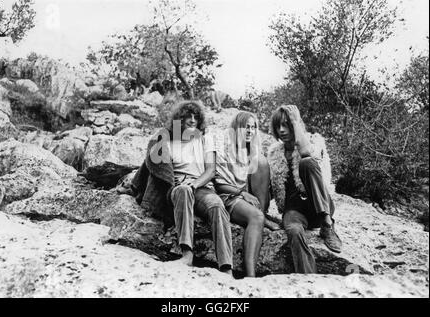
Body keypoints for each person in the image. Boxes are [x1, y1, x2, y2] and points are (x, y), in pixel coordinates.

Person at [128, 100, 233, 274]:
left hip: (201, 185)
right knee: (184, 191)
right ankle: (187, 255)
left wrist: (195, 184)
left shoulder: (206, 139)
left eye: (196, 117)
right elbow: (151, 164)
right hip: (176, 186)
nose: (192, 120)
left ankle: (226, 267)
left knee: (216, 205)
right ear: (179, 120)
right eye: (188, 117)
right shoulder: (168, 140)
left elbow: (211, 170)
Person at [268, 105, 342, 274]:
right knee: (293, 231)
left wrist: (295, 121)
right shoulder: (274, 152)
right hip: (294, 210)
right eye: (278, 125)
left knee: (306, 162)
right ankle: (309, 276)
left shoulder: (313, 141)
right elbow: (270, 187)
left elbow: (306, 152)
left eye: (286, 124)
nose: (281, 130)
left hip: (318, 205)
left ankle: (327, 225)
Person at [213, 111, 277, 278]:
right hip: (228, 196)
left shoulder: (252, 151)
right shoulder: (224, 148)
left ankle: (263, 215)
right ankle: (250, 276)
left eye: (253, 127)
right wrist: (241, 193)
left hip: (244, 195)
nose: (249, 131)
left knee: (261, 162)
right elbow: (219, 183)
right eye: (245, 127)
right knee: (255, 217)